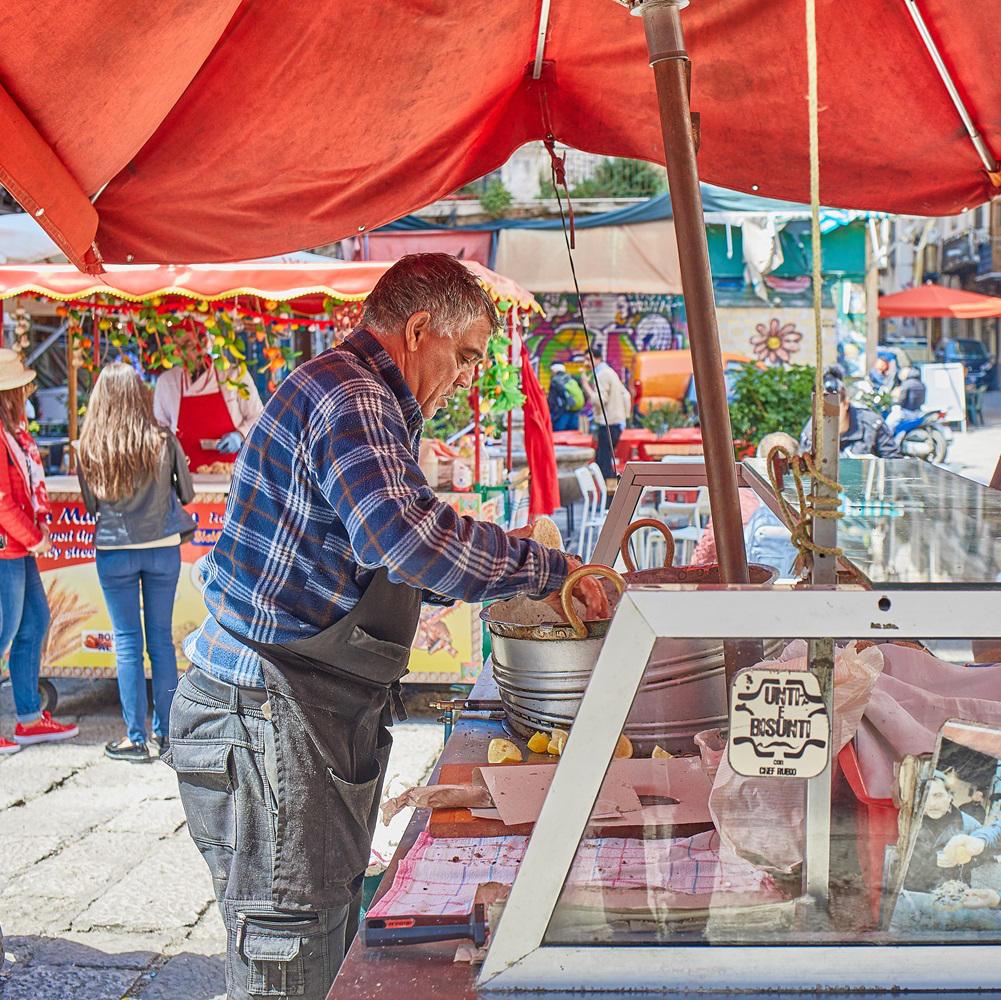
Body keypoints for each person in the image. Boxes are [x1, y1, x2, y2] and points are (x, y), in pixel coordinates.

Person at [167, 254, 607, 999]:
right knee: (291, 954)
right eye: (464, 356)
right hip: (268, 710)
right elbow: (403, 540)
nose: (468, 376)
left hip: (297, 705)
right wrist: (548, 571)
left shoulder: (357, 395)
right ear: (418, 328)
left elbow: (369, 555)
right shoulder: (352, 395)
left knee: (320, 927)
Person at [76, 363, 196, 763]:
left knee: (127, 644)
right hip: (162, 548)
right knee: (161, 641)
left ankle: (135, 739)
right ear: (141, 395)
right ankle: (168, 737)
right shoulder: (162, 439)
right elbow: (189, 492)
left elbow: (92, 505)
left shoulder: (89, 446)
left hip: (114, 551)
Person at [0, 349, 79, 754]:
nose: (29, 392)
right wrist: (34, 536)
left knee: (34, 623)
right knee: (4, 633)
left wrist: (37, 526)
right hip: (7, 550)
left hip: (18, 549)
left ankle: (29, 717)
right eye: (22, 387)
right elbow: (1, 501)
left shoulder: (15, 432)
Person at [152, 341, 263, 472]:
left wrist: (240, 435)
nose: (188, 352)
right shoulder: (166, 381)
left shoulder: (233, 375)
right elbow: (160, 429)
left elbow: (259, 417)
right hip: (184, 478)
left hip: (232, 474)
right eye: (181, 346)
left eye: (192, 345)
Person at [800, 367, 902, 459]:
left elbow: (894, 464)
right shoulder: (811, 432)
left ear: (845, 403)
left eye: (831, 408)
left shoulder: (873, 425)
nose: (826, 415)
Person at [586, 343, 631, 480]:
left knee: (603, 464)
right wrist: (625, 417)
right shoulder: (610, 372)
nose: (585, 363)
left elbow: (599, 400)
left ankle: (609, 497)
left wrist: (585, 385)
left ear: (596, 359)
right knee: (604, 460)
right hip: (615, 422)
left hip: (608, 423)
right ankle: (608, 495)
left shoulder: (602, 375)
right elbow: (626, 395)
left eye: (588, 359)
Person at [886, 366, 927, 433]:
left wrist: (895, 403)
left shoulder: (906, 384)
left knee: (889, 423)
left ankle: (888, 439)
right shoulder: (921, 384)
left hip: (907, 412)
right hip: (917, 411)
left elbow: (902, 399)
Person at [547, 362, 584, 432]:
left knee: (559, 437)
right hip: (575, 412)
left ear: (554, 370)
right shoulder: (572, 378)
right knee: (573, 436)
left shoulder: (555, 381)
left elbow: (552, 401)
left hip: (562, 415)